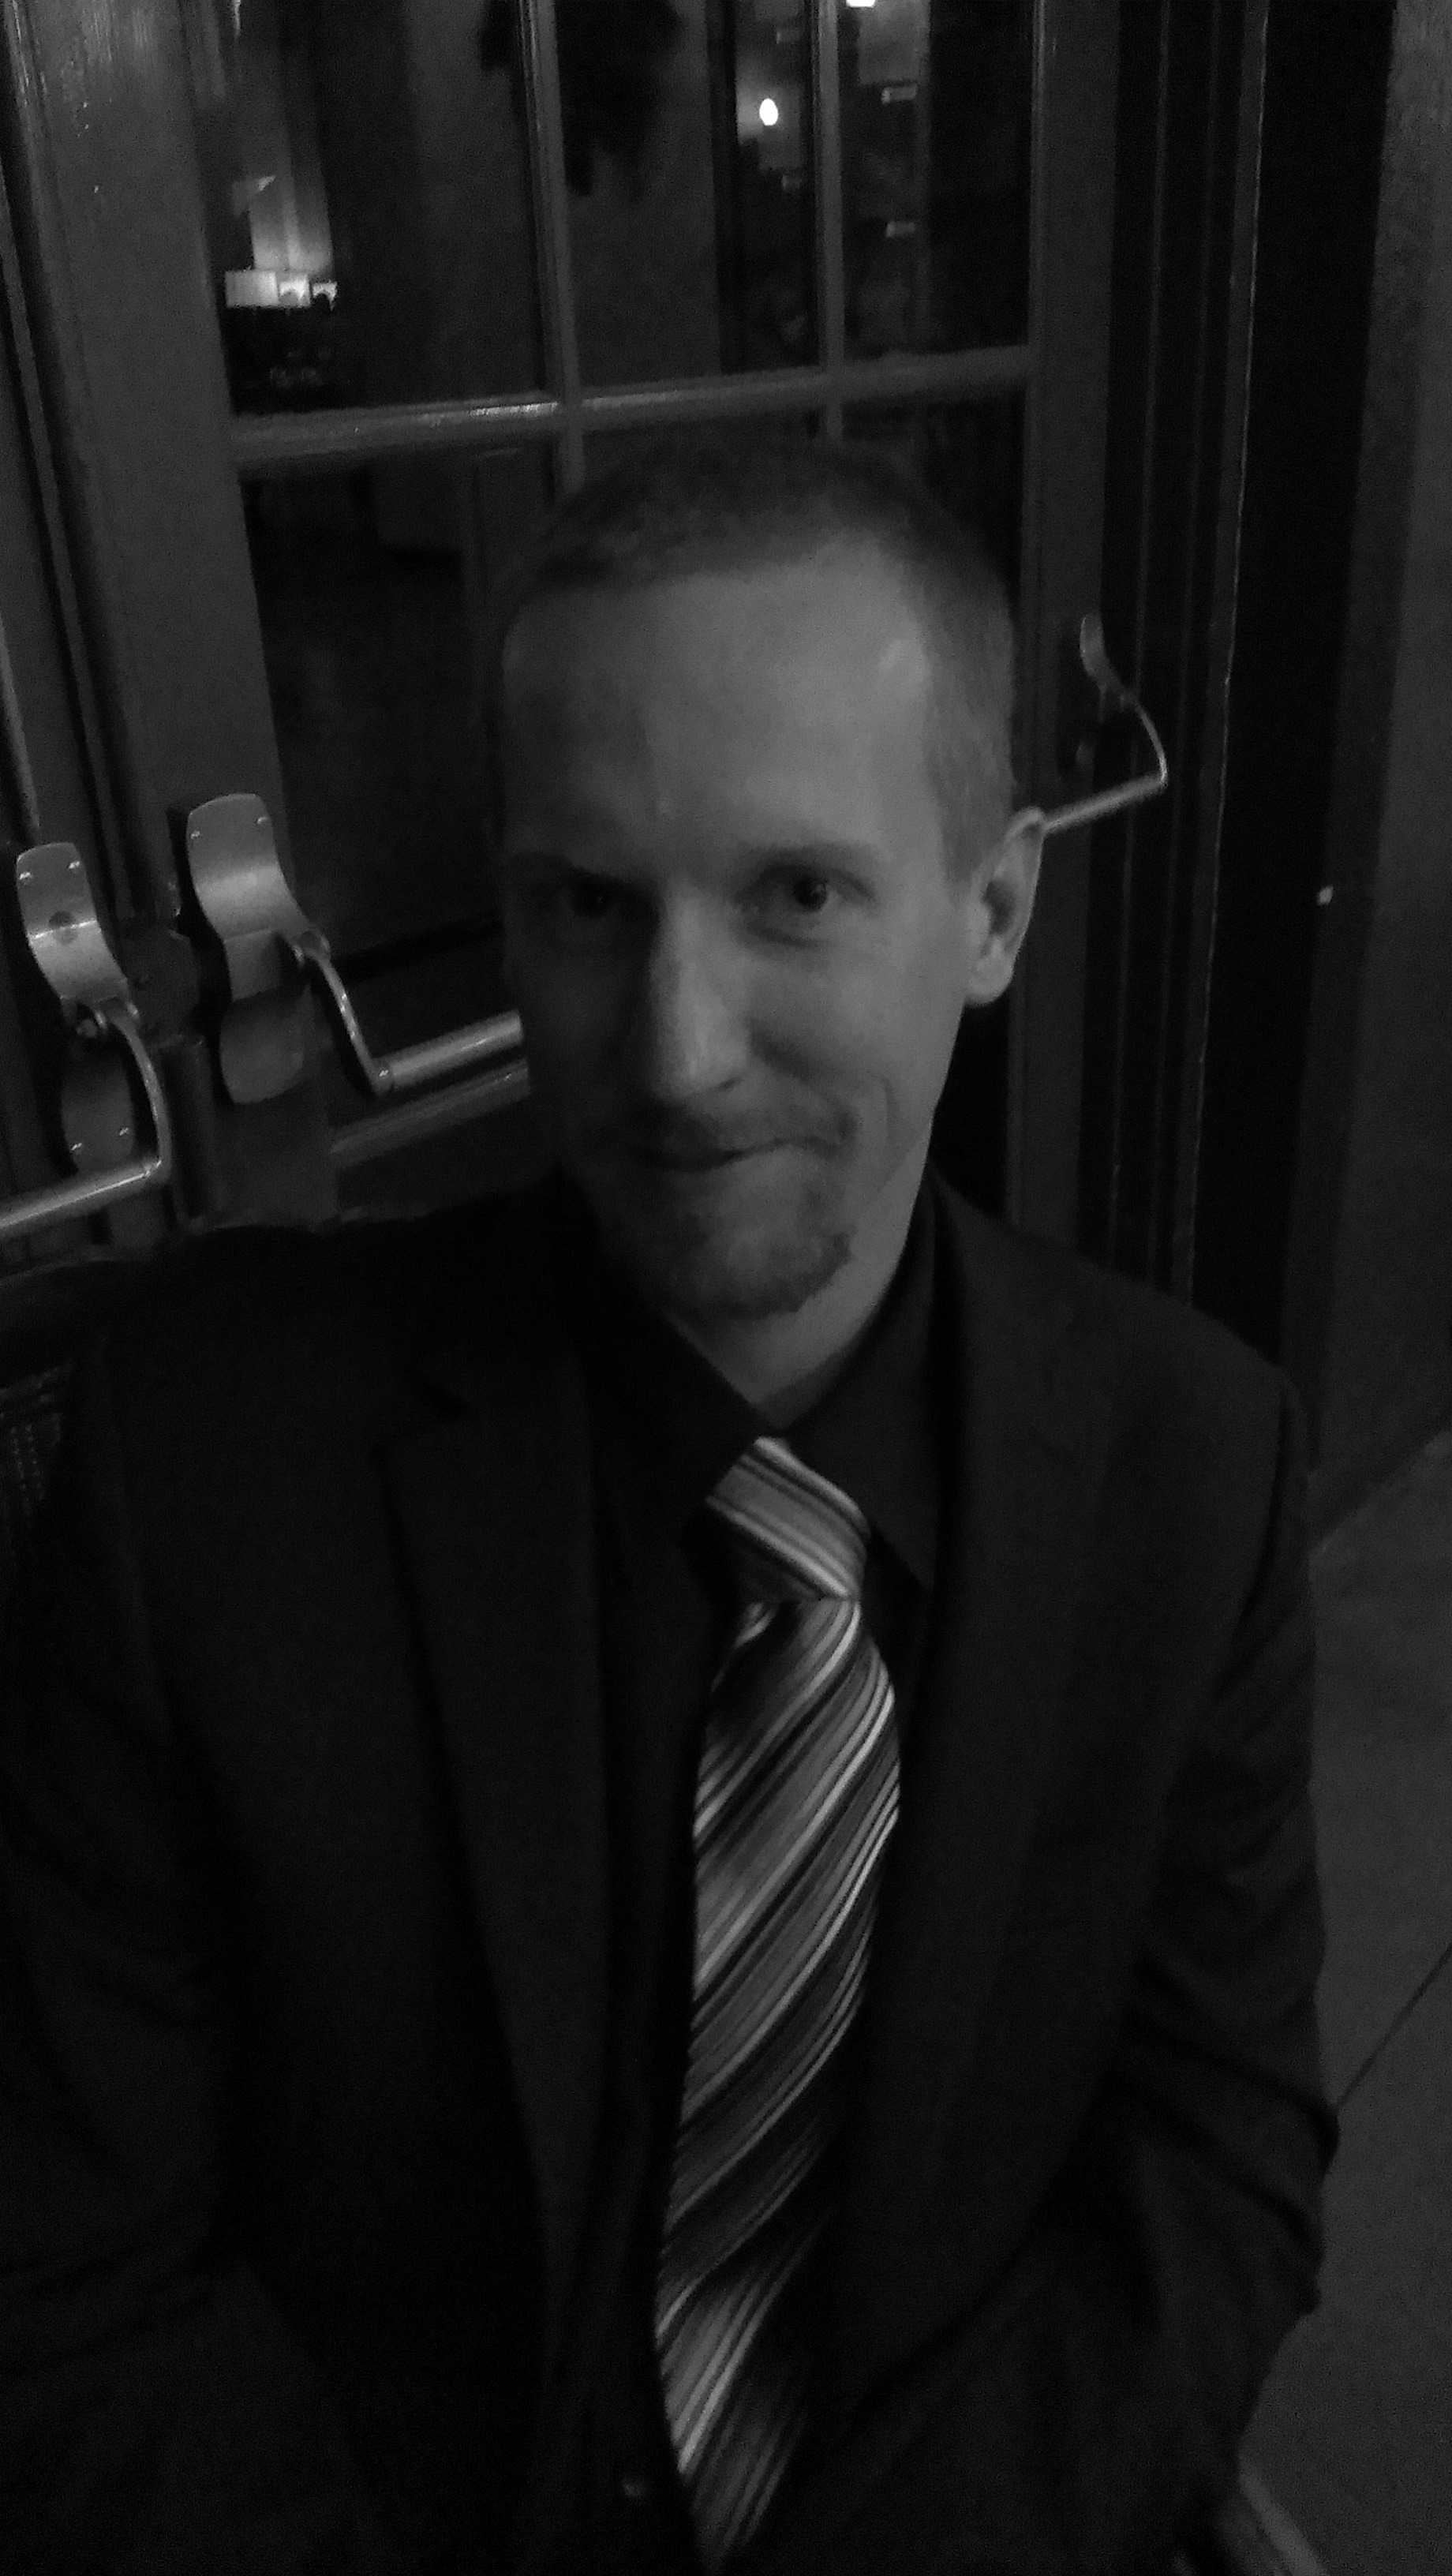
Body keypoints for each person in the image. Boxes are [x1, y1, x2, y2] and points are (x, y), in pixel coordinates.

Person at [0, 435, 1335, 2576]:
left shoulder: (1195, 1468)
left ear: (993, 911)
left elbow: (1214, 2152)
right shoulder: (202, 1474)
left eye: (797, 894)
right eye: (587, 905)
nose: (678, 1051)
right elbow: (68, 2277)